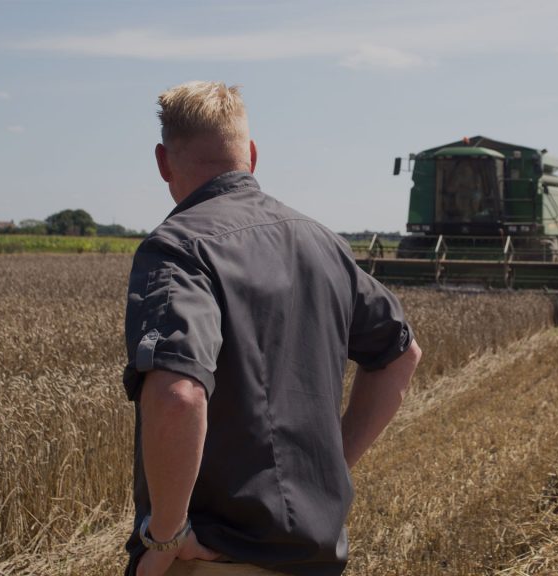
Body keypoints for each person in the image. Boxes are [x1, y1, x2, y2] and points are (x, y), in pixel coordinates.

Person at [122, 81, 421, 576]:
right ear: (252, 155)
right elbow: (401, 355)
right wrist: (333, 469)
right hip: (315, 555)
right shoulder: (323, 243)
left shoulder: (177, 249)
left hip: (217, 558)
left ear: (162, 161)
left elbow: (178, 397)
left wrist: (167, 536)